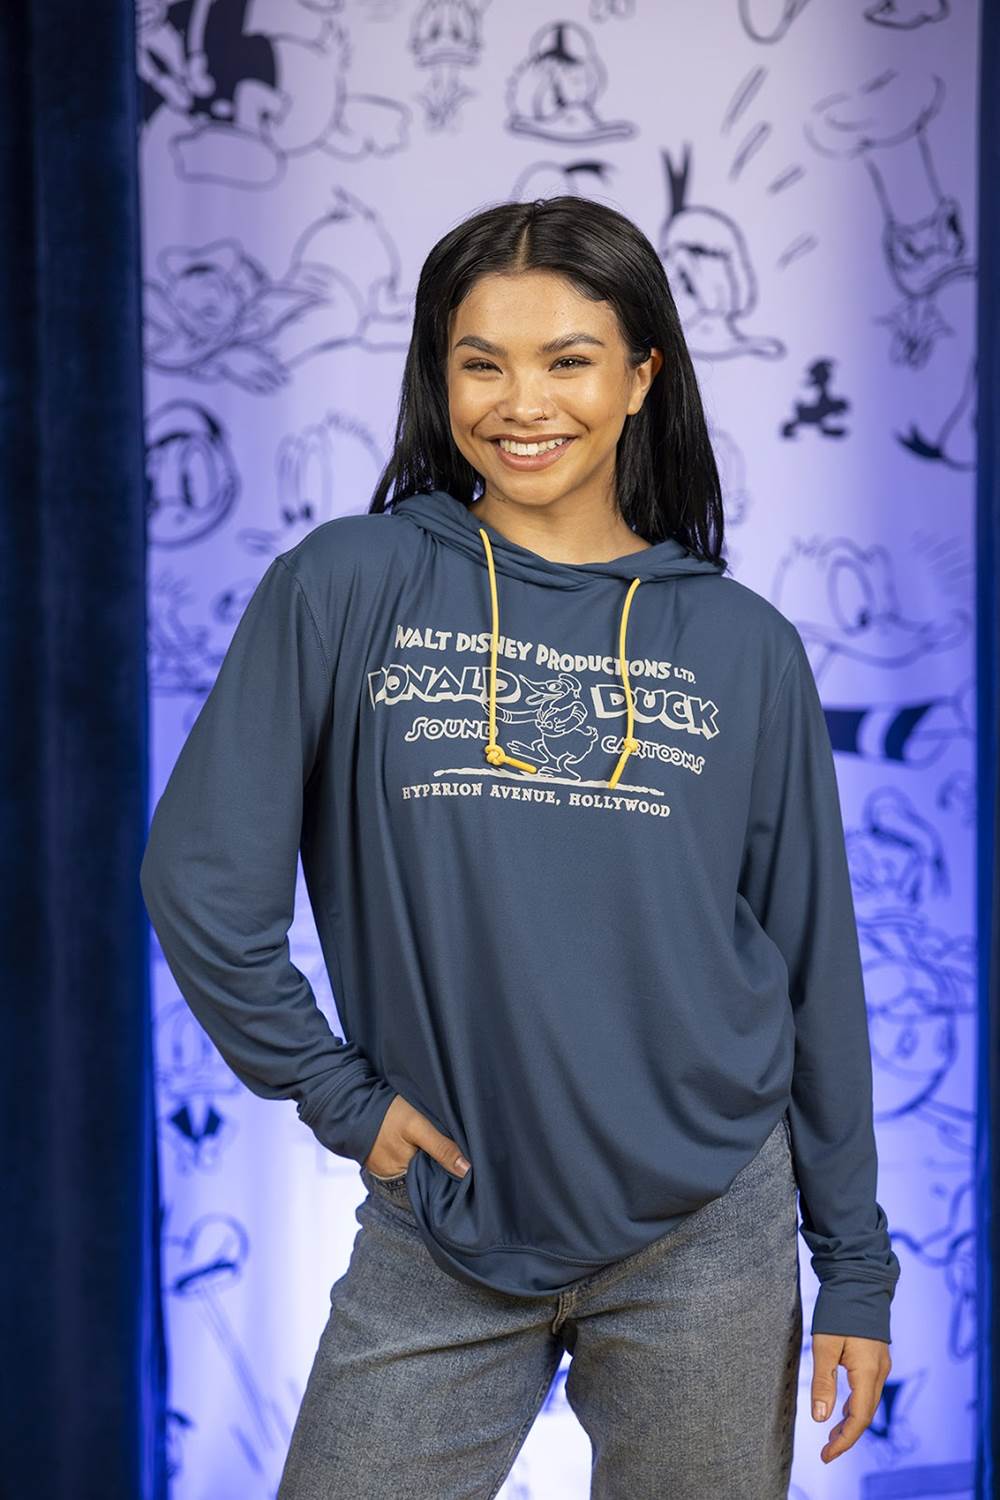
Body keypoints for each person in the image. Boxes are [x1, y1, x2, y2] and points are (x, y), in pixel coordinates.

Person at [140, 194, 900, 1497]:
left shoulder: (743, 645)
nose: (522, 402)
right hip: (444, 1217)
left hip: (709, 1227)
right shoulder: (350, 584)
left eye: (568, 360)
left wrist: (856, 1268)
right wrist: (338, 1098)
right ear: (439, 376)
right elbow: (200, 879)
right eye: (482, 362)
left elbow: (811, 966)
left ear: (640, 377)